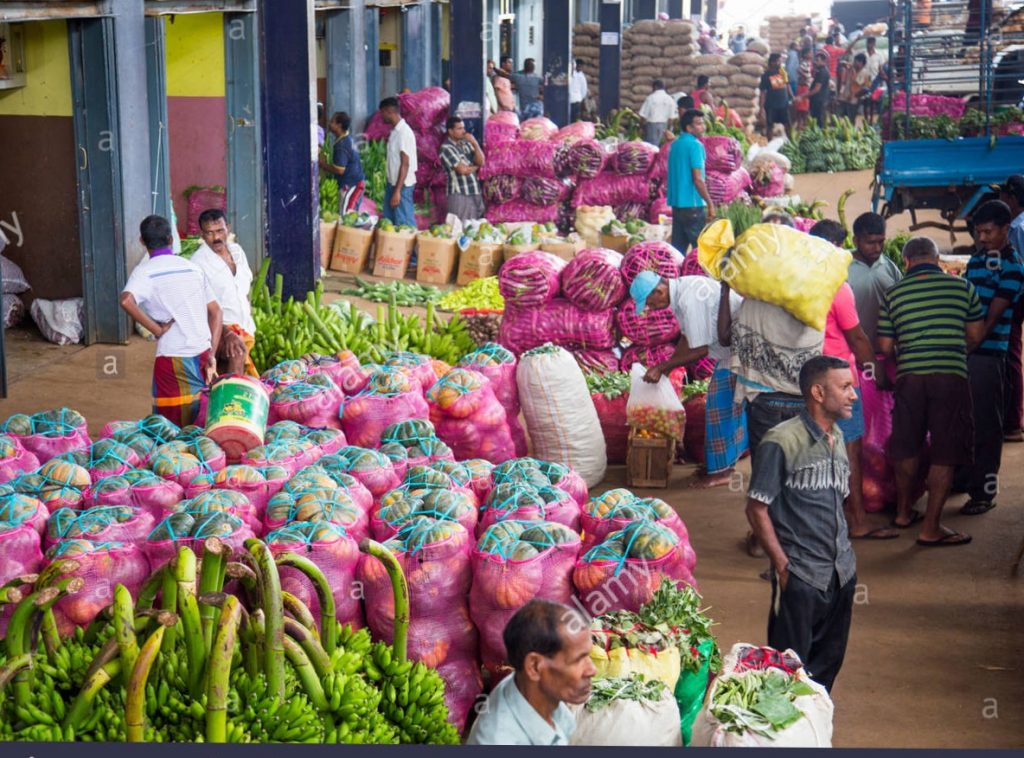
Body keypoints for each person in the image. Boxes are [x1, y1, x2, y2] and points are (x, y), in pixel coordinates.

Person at [745, 355, 858, 693]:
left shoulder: (836, 437)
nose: (854, 395)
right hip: (801, 577)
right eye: (846, 387)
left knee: (827, 667)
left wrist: (847, 567)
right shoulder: (782, 441)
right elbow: (756, 509)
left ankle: (813, 733)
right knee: (787, 672)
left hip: (841, 573)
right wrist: (782, 567)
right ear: (818, 393)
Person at [877, 237, 985, 546]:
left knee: (907, 446)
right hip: (951, 376)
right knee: (945, 453)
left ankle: (902, 512)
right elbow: (975, 335)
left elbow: (883, 346)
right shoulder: (962, 287)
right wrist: (950, 352)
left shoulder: (893, 293)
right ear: (937, 260)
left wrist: (910, 352)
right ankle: (931, 528)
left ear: (907, 261)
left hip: (909, 379)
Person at [809, 219, 898, 540]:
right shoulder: (837, 285)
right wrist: (876, 369)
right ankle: (857, 518)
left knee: (814, 451)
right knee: (851, 448)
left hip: (809, 378)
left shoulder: (798, 282)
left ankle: (818, 523)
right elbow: (858, 338)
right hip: (841, 378)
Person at [630, 272, 748, 489]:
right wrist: (667, 368)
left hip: (740, 351)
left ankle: (721, 472)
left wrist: (663, 367)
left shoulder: (689, 297)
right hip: (732, 353)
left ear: (659, 291)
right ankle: (722, 466)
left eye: (649, 302)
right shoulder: (681, 295)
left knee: (719, 406)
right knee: (726, 406)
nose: (650, 307)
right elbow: (687, 338)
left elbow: (700, 349)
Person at [955, 200, 1024, 516]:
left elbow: (988, 322)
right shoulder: (977, 260)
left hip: (986, 355)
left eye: (988, 231)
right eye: (978, 232)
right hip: (968, 352)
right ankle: (964, 478)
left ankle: (984, 492)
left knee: (986, 424)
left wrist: (961, 350)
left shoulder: (1013, 268)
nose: (981, 238)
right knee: (964, 421)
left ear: (1005, 229)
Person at [120, 215, 222, 427]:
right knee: (203, 422)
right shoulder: (192, 267)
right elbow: (216, 312)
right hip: (203, 353)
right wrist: (212, 352)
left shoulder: (145, 271)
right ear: (170, 239)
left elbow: (126, 301)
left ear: (142, 241)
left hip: (173, 358)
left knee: (171, 429)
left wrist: (156, 330)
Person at [467, 599, 595, 745]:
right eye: (578, 660)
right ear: (534, 667)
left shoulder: (531, 689)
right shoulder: (499, 740)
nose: (592, 670)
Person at [190, 208, 258, 378]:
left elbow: (244, 290)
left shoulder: (237, 251)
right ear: (202, 234)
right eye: (210, 233)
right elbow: (199, 308)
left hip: (245, 327)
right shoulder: (198, 263)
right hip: (218, 328)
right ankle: (233, 402)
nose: (216, 237)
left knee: (224, 370)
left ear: (228, 227)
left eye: (220, 230)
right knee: (236, 352)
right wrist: (226, 333)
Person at [666, 109, 715, 254]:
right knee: (701, 253)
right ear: (689, 127)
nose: (703, 127)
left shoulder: (675, 145)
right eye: (699, 124)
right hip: (692, 205)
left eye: (702, 123)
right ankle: (700, 276)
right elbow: (698, 179)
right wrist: (710, 203)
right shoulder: (695, 146)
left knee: (678, 251)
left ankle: (678, 276)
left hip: (677, 204)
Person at [999, 175, 1024, 440]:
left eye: (1005, 196)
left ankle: (1014, 422)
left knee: (1010, 356)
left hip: (1015, 297)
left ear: (1013, 198)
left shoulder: (1017, 229)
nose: (1002, 200)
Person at [379, 97, 417, 228]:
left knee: (404, 225)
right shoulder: (395, 131)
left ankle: (410, 249)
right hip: (393, 184)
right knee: (390, 223)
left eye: (382, 113)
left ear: (389, 111)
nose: (381, 117)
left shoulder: (404, 133)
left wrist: (398, 191)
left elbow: (405, 164)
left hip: (402, 186)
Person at [439, 116, 485, 222]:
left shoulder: (466, 144)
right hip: (460, 193)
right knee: (460, 226)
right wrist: (476, 166)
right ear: (450, 131)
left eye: (463, 128)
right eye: (459, 129)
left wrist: (475, 143)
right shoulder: (446, 148)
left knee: (474, 226)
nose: (464, 131)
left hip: (474, 190)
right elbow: (463, 171)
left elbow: (481, 161)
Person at [319, 111, 366, 213]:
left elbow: (339, 170)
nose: (329, 124)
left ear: (339, 125)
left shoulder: (342, 144)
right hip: (355, 182)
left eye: (332, 122)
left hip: (352, 185)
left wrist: (323, 165)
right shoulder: (346, 138)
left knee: (347, 216)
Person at [759, 53, 791, 140]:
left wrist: (792, 97)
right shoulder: (766, 75)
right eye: (778, 61)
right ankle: (770, 144)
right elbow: (763, 92)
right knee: (770, 126)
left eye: (780, 61)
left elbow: (787, 86)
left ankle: (792, 142)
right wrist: (761, 108)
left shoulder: (782, 72)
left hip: (783, 104)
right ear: (772, 62)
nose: (780, 63)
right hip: (771, 105)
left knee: (787, 124)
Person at [795, 50, 832, 127]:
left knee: (818, 122)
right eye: (816, 60)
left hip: (819, 101)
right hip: (818, 100)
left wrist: (802, 96)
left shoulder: (822, 72)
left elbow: (816, 89)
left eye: (818, 60)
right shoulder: (820, 71)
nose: (815, 62)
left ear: (823, 61)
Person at [639, 79, 677, 145]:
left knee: (651, 148)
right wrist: (669, 130)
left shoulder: (651, 98)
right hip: (664, 126)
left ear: (655, 87)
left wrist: (641, 127)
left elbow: (643, 116)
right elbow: (671, 119)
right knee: (663, 147)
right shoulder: (670, 99)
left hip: (651, 127)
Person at [838, 53, 871, 121]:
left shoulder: (865, 73)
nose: (854, 63)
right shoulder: (852, 69)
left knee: (851, 118)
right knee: (844, 116)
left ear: (861, 63)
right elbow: (841, 62)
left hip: (855, 98)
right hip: (847, 97)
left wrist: (855, 96)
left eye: (856, 62)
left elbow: (865, 87)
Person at [793, 48, 813, 130]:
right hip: (803, 87)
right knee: (802, 108)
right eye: (810, 53)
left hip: (805, 86)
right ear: (805, 55)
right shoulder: (804, 63)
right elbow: (799, 70)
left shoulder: (809, 63)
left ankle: (802, 124)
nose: (811, 54)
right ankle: (801, 124)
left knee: (804, 107)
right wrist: (807, 77)